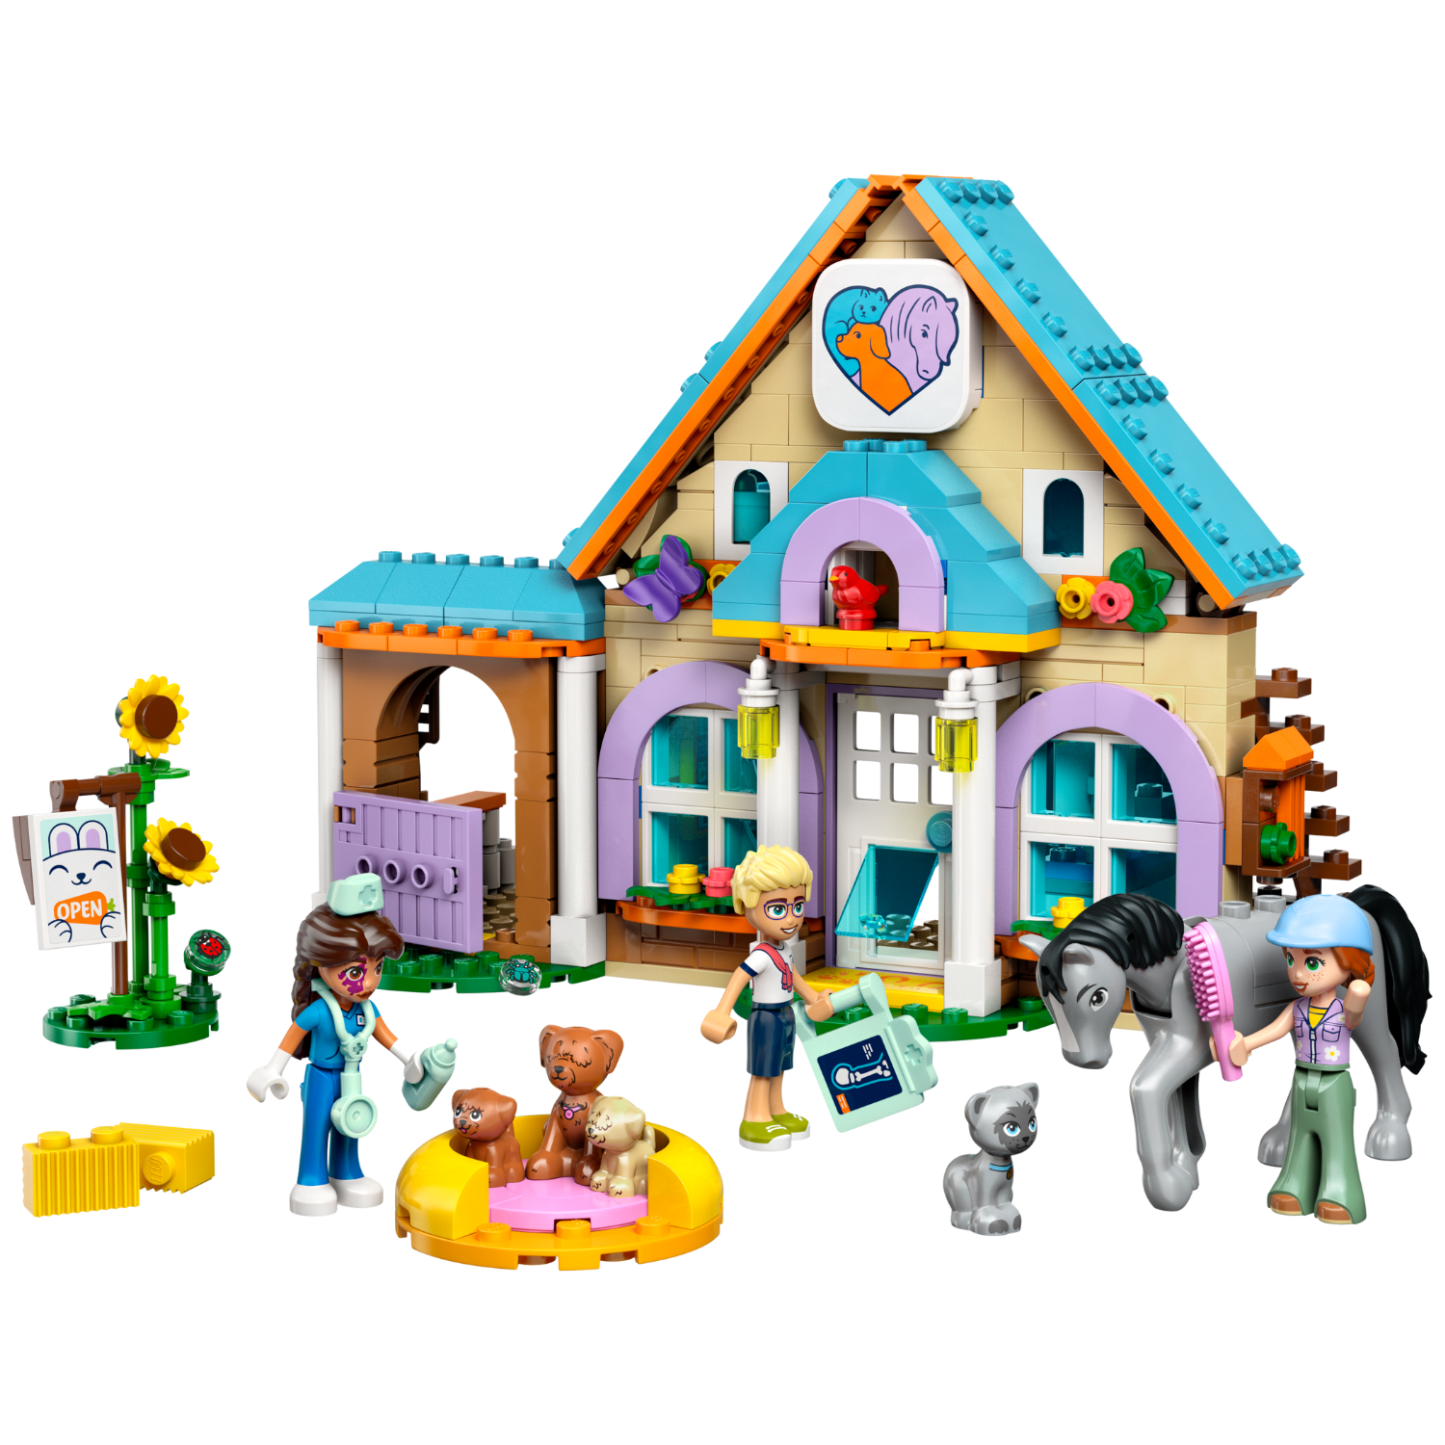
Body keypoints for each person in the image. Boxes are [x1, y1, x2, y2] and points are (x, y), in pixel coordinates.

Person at [246, 874, 456, 1215]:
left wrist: (411, 1058)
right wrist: (272, 1070)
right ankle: (311, 1179)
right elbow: (291, 1038)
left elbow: (387, 1037)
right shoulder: (318, 1010)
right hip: (321, 1078)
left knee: (352, 1124)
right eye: (357, 973)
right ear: (320, 965)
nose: (370, 982)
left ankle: (346, 1173)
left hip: (352, 1076)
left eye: (378, 967)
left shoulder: (366, 1010)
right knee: (317, 1129)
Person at [1221, 893, 1374, 1224]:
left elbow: (1354, 1015)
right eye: (1291, 960)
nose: (1298, 974)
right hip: (1302, 1079)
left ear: (1348, 962)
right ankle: (1294, 1185)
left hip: (1334, 1083)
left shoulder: (1342, 1009)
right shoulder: (1298, 1008)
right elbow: (1274, 1031)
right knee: (1299, 1136)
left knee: (1336, 1140)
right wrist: (1244, 1044)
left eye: (1313, 963)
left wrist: (1359, 995)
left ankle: (1340, 1192)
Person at [700, 846, 833, 1151]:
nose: (791, 918)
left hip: (786, 1014)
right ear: (748, 905)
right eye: (777, 909)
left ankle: (776, 1110)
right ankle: (754, 1118)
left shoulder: (784, 949)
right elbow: (739, 978)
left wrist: (813, 998)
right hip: (766, 1017)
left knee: (780, 1066)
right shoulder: (761, 954)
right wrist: (722, 1012)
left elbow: (793, 977)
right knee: (763, 1070)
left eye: (797, 906)